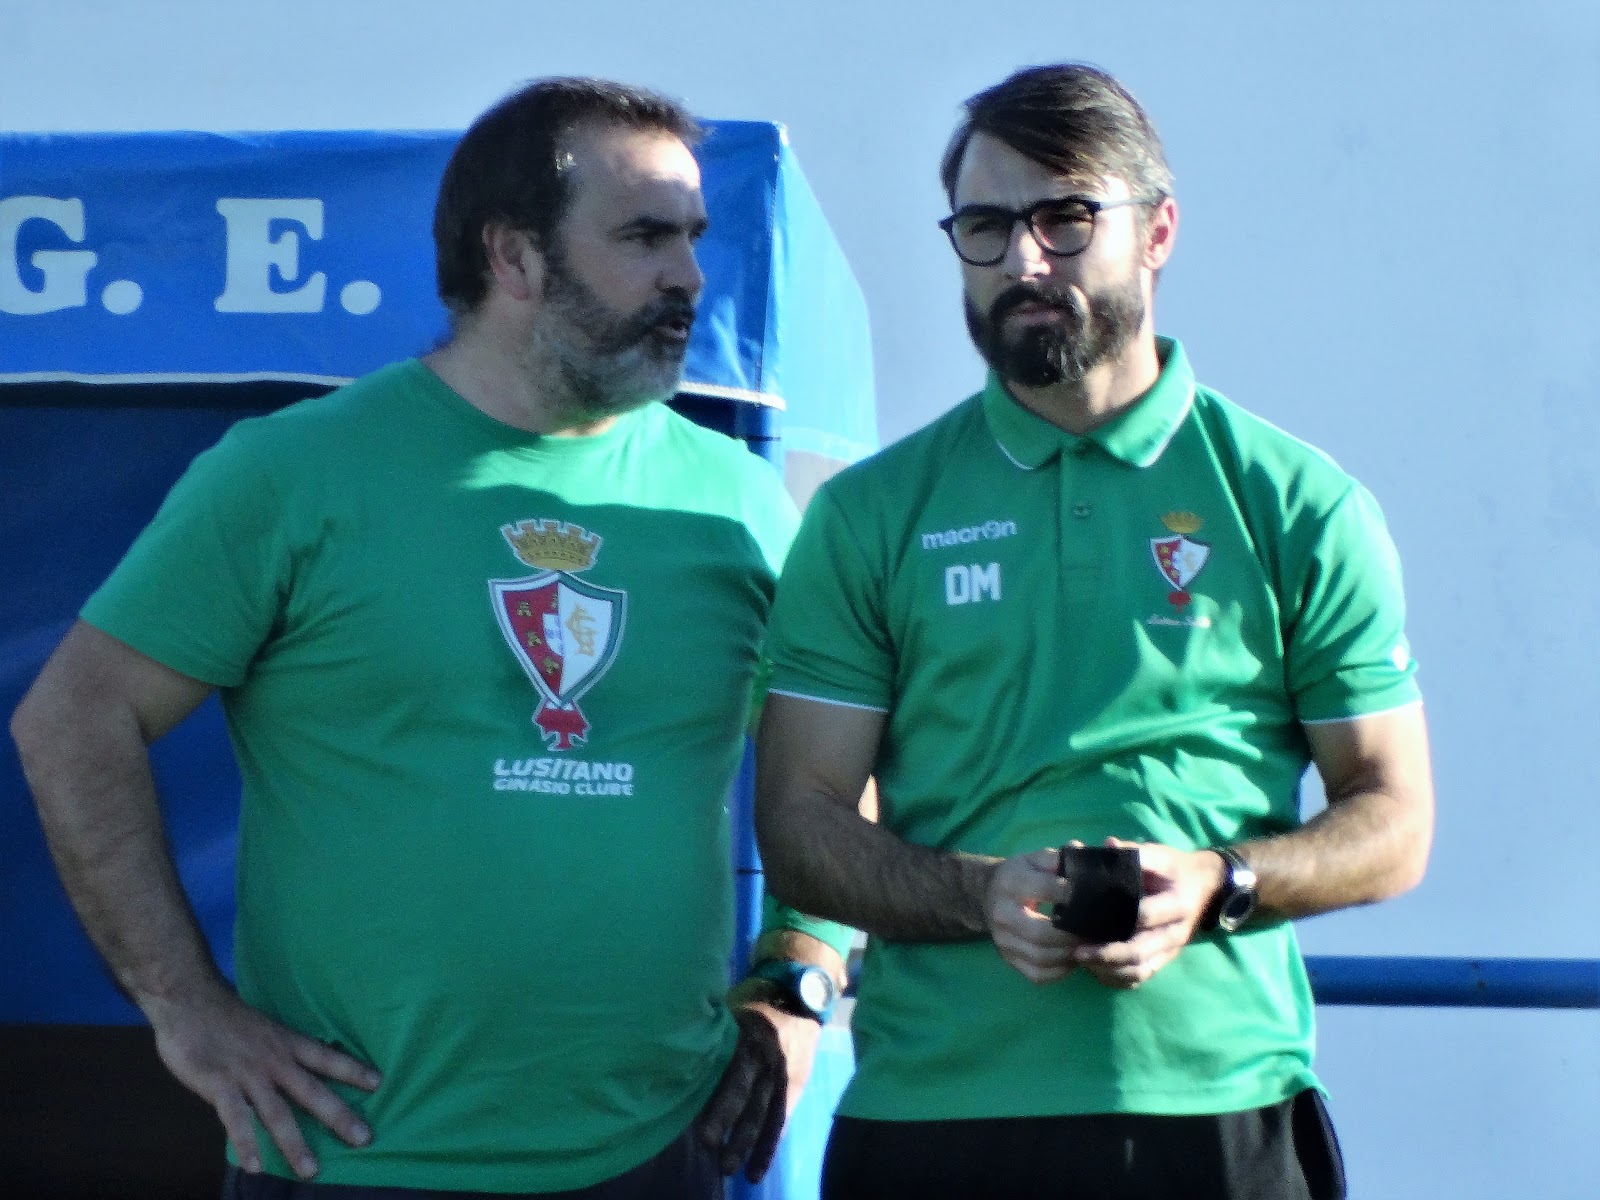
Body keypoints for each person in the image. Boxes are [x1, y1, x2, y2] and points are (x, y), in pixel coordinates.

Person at [10, 77, 850, 1199]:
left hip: (656, 1153)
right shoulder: (292, 474)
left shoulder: (737, 502)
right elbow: (73, 718)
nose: (690, 276)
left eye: (694, 237)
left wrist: (800, 976)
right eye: (645, 236)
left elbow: (835, 759)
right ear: (514, 256)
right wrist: (185, 1008)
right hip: (353, 1157)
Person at [753, 63, 1434, 1200]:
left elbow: (1396, 821)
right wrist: (981, 897)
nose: (1022, 260)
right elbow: (799, 824)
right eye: (984, 225)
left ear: (1157, 232)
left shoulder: (1296, 502)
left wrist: (1217, 883)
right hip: (932, 1115)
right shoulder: (871, 514)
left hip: (1223, 1108)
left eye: (1065, 218)